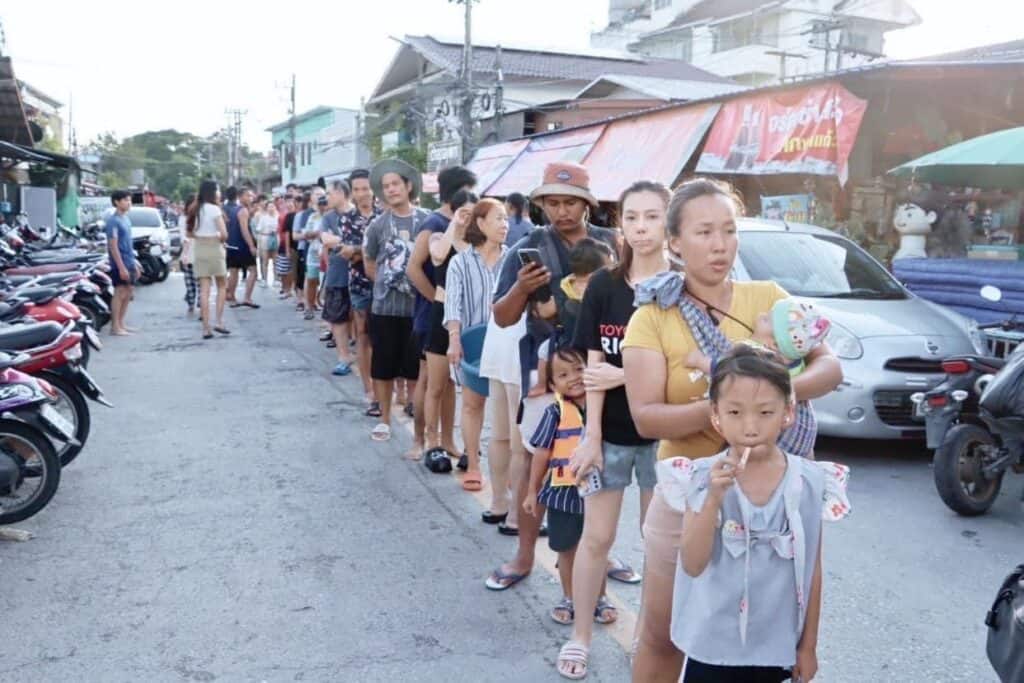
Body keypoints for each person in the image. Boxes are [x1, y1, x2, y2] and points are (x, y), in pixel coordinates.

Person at [621, 178, 843, 682]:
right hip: (688, 493)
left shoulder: (768, 298)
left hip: (770, 494)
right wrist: (731, 407)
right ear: (674, 242)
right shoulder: (652, 318)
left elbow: (828, 368)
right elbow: (646, 417)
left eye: (728, 230)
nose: (720, 244)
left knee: (758, 637)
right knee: (663, 633)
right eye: (704, 232)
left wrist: (772, 398)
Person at [660, 345, 850, 682]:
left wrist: (808, 646)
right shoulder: (701, 478)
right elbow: (692, 562)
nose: (750, 427)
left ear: (788, 412)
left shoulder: (808, 482)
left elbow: (811, 571)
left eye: (765, 412)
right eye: (735, 413)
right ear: (716, 415)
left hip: (775, 644)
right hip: (712, 643)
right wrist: (714, 500)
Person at [557, 181, 672, 679]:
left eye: (651, 216)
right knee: (596, 539)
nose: (641, 227)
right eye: (631, 217)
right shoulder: (604, 285)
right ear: (619, 223)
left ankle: (651, 639)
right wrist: (592, 436)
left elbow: (690, 368)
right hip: (613, 437)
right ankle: (580, 635)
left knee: (660, 546)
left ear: (669, 220)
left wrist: (629, 374)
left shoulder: (680, 287)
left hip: (667, 437)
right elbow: (593, 366)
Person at [486, 161, 618, 592]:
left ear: (587, 204)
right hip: (546, 370)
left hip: (602, 367)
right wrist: (523, 288)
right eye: (553, 202)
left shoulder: (611, 243)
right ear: (541, 204)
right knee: (536, 462)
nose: (562, 211)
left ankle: (600, 550)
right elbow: (502, 318)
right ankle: (525, 554)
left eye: (571, 203)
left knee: (606, 464)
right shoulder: (527, 247)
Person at [521, 346, 596, 628]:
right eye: (564, 375)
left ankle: (599, 598)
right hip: (563, 493)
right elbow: (541, 453)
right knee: (566, 549)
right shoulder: (555, 412)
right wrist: (532, 491)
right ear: (553, 385)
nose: (574, 378)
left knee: (597, 547)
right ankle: (569, 597)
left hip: (598, 492)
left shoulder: (602, 408)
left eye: (579, 369)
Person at [407, 165, 478, 462]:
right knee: (432, 382)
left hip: (461, 317)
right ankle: (425, 441)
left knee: (450, 384)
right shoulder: (435, 226)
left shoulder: (473, 234)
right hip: (435, 313)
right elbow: (421, 264)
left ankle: (448, 440)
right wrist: (435, 299)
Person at [362, 159, 429, 442]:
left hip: (418, 308)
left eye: (396, 184)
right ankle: (386, 418)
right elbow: (369, 263)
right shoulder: (377, 226)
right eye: (386, 186)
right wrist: (389, 283)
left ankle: (417, 415)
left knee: (416, 366)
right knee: (384, 365)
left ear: (408, 186)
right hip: (385, 307)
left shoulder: (427, 220)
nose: (391, 190)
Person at [444, 197, 508, 491]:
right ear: (480, 224)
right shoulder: (459, 263)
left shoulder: (513, 259)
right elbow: (453, 305)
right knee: (472, 404)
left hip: (507, 343)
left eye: (506, 219)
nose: (504, 225)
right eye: (498, 218)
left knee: (508, 407)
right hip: (472, 342)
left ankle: (508, 472)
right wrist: (454, 340)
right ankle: (473, 463)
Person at [340, 169, 381, 413]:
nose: (361, 194)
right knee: (364, 338)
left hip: (385, 286)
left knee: (383, 340)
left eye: (365, 188)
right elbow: (348, 252)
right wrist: (360, 251)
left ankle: (388, 388)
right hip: (359, 284)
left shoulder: (384, 214)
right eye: (356, 190)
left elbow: (377, 251)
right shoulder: (347, 218)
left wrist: (357, 250)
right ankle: (370, 390)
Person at [319, 180, 355, 376]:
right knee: (338, 317)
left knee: (360, 317)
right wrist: (349, 242)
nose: (327, 197)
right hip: (337, 273)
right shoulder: (328, 217)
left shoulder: (357, 214)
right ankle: (343, 356)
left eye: (330, 193)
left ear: (341, 193)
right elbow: (326, 240)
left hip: (359, 273)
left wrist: (339, 241)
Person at [187, 179, 231, 339]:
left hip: (199, 249)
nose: (219, 193)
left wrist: (201, 236)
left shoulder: (194, 209)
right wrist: (218, 237)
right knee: (221, 286)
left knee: (204, 290)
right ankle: (219, 321)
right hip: (214, 248)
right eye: (218, 190)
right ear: (212, 192)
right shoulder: (214, 209)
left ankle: (206, 328)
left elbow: (189, 233)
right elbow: (224, 234)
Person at [105, 190, 141, 336]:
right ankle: (115, 326)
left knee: (129, 291)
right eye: (126, 200)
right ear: (117, 202)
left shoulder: (126, 219)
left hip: (129, 260)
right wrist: (121, 267)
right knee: (120, 292)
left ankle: (121, 323)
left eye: (129, 200)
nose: (129, 203)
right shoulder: (113, 222)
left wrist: (135, 263)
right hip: (119, 262)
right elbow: (113, 246)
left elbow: (129, 243)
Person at [225, 186, 259, 309]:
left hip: (231, 245)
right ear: (240, 197)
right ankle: (247, 297)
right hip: (242, 245)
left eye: (251, 196)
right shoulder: (243, 211)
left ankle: (232, 297)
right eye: (247, 196)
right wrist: (251, 246)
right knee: (253, 271)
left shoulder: (233, 210)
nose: (250, 198)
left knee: (233, 271)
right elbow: (245, 230)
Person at [302, 191, 328, 320]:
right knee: (311, 279)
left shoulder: (332, 216)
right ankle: (309, 307)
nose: (322, 207)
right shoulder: (313, 217)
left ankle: (325, 308)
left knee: (326, 282)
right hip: (313, 252)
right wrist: (317, 234)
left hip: (327, 253)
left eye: (324, 204)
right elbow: (306, 234)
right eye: (320, 204)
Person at [292, 191, 314, 308]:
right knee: (302, 274)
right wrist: (308, 235)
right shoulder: (300, 215)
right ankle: (300, 299)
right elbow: (294, 236)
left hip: (316, 249)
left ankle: (312, 300)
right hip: (303, 248)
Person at [179, 193, 198, 316]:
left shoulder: (200, 217)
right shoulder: (184, 219)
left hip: (196, 253)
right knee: (190, 281)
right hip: (190, 252)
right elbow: (184, 238)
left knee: (197, 281)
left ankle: (199, 305)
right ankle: (192, 304)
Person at [255, 194, 279, 287]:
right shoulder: (263, 217)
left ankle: (276, 279)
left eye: (272, 206)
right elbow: (258, 229)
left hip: (275, 238)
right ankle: (264, 279)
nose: (271, 208)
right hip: (265, 238)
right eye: (269, 206)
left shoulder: (278, 216)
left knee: (275, 260)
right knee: (264, 260)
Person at [277, 195, 297, 299]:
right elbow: (285, 233)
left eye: (291, 202)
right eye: (287, 202)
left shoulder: (297, 215)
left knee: (292, 270)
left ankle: (291, 289)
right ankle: (286, 289)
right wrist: (286, 249)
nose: (289, 204)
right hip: (284, 245)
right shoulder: (286, 216)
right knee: (283, 269)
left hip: (294, 247)